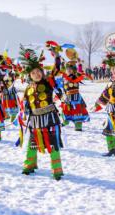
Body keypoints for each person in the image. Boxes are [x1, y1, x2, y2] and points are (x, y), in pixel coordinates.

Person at [18, 43, 65, 181]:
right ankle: (29, 165)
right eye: (33, 73)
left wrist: (56, 55)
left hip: (50, 119)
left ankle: (57, 170)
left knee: (53, 144)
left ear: (42, 72)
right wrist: (24, 112)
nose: (36, 74)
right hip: (35, 120)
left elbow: (57, 68)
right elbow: (25, 103)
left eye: (38, 71)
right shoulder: (28, 88)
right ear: (30, 76)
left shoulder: (49, 81)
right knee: (32, 144)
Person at [60, 60, 90, 131]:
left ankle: (78, 126)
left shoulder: (76, 76)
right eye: (67, 69)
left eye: (71, 69)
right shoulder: (63, 78)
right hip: (67, 97)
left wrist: (79, 64)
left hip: (76, 98)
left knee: (78, 111)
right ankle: (65, 121)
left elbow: (80, 72)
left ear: (73, 70)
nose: (69, 71)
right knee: (65, 110)